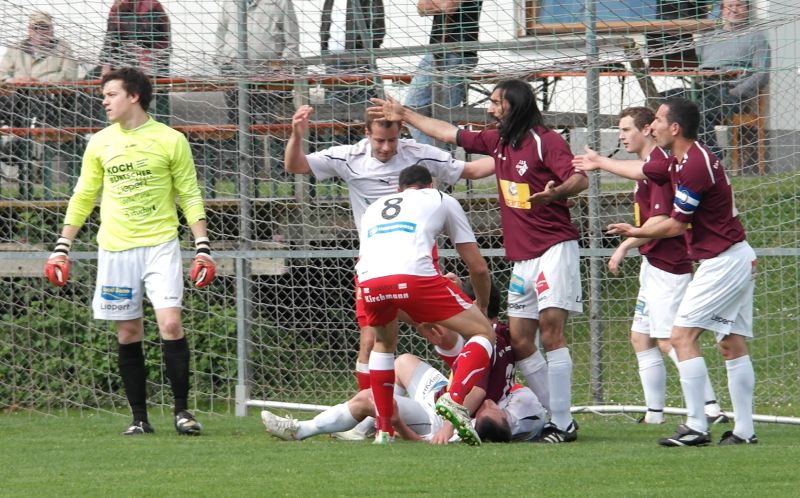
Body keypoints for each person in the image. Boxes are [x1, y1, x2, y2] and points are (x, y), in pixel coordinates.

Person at [370, 78, 588, 443]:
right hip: (523, 257)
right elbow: (448, 132)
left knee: (551, 331)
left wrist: (556, 193)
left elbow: (579, 180)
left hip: (554, 248)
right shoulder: (497, 142)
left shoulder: (546, 141)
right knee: (520, 341)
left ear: (515, 105)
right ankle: (557, 417)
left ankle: (562, 423)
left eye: (496, 102)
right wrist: (404, 114)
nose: (489, 108)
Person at [43, 67, 216, 436]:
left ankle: (183, 413)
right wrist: (61, 247)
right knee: (127, 332)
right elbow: (83, 196)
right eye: (104, 96)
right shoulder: (100, 142)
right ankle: (139, 418)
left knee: (171, 324)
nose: (105, 102)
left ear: (134, 96)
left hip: (160, 245)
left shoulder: (171, 140)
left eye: (111, 94)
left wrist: (203, 247)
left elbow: (189, 193)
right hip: (115, 250)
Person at [284, 104, 495, 394]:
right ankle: (368, 411)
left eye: (392, 140)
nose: (386, 147)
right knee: (370, 339)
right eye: (379, 140)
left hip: (417, 258)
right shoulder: (348, 157)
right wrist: (297, 135)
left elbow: (471, 170)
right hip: (373, 260)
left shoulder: (418, 154)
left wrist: (512, 153)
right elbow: (295, 166)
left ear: (401, 134)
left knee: (443, 333)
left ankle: (470, 398)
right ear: (366, 133)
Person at [605, 97, 757, 446]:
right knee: (731, 343)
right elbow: (644, 170)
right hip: (732, 257)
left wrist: (635, 233)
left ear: (674, 128)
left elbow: (675, 225)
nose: (652, 126)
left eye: (657, 121)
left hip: (723, 262)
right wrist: (600, 162)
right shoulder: (683, 159)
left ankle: (697, 425)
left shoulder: (693, 166)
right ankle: (745, 431)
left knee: (680, 337)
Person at [573, 107, 727, 425]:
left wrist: (625, 244)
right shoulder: (651, 164)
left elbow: (663, 220)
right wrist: (600, 162)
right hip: (652, 261)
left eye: (626, 129)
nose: (621, 136)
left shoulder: (664, 165)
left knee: (671, 340)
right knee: (640, 337)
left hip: (669, 264)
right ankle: (654, 415)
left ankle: (711, 408)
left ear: (647, 130)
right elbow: (637, 174)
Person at [261, 279, 545, 443]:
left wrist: (446, 427)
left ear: (473, 307)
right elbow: (431, 324)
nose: (455, 309)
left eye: (460, 303)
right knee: (404, 361)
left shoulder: (481, 341)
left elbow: (478, 391)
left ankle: (302, 430)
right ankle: (369, 427)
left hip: (446, 413)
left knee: (367, 399)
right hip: (447, 393)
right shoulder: (500, 334)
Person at [355, 164, 495, 444]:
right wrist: (481, 304)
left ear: (399, 189)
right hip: (415, 278)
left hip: (368, 282)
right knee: (483, 332)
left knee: (383, 344)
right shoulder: (441, 198)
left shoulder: (374, 208)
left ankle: (383, 430)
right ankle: (455, 400)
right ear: (430, 185)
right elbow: (478, 267)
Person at [0, 10, 78, 185]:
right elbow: (2, 74)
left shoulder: (63, 47)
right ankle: (13, 145)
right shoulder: (15, 48)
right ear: (29, 30)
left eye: (44, 28)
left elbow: (70, 75)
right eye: (36, 28)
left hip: (50, 100)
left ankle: (21, 147)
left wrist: (40, 82)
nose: (40, 32)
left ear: (51, 30)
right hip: (17, 100)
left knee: (37, 107)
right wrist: (15, 81)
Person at [695, 0, 770, 160]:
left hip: (731, 92)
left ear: (747, 9)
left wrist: (735, 92)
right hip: (701, 89)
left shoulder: (756, 37)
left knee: (694, 111)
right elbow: (693, 64)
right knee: (663, 102)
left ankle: (713, 156)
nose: (734, 10)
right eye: (730, 6)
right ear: (722, 10)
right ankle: (673, 160)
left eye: (739, 5)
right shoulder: (707, 37)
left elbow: (762, 74)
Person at [403, 0, 483, 146]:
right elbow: (421, 8)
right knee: (412, 106)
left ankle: (441, 156)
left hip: (459, 52)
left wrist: (433, 4)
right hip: (435, 51)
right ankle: (432, 153)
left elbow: (449, 6)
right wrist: (437, 5)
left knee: (446, 114)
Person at [215, 0, 300, 125]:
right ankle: (239, 137)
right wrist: (222, 59)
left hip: (269, 72)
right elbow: (221, 31)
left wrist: (283, 66)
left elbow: (292, 37)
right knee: (237, 118)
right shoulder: (229, 2)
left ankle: (272, 138)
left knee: (269, 119)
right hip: (233, 69)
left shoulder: (281, 2)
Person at [100, 0, 172, 122]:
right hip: (124, 62)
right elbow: (110, 39)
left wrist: (150, 74)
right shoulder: (116, 8)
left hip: (154, 62)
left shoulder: (152, 6)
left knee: (158, 94)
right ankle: (109, 125)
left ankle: (162, 125)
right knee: (98, 82)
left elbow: (150, 41)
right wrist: (105, 67)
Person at [321, 0, 385, 110]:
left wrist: (363, 53)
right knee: (335, 107)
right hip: (332, 61)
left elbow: (378, 29)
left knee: (365, 103)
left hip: (359, 60)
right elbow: (325, 25)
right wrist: (324, 50)